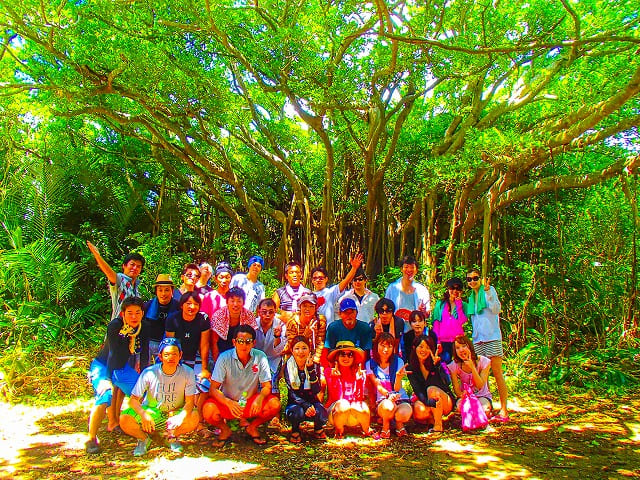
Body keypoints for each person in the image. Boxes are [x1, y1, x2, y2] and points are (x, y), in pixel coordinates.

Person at [85, 297, 149, 454]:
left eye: (137, 313)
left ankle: (143, 427)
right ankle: (91, 438)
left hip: (121, 368)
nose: (134, 317)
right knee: (105, 396)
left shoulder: (143, 326)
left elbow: (144, 353)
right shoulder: (115, 325)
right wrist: (107, 379)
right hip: (104, 366)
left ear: (142, 313)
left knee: (144, 393)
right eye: (130, 313)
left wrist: (145, 376)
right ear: (123, 314)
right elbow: (112, 353)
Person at [202, 325, 281, 446]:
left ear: (254, 343)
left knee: (274, 404)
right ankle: (225, 430)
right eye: (240, 341)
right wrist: (228, 402)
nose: (244, 345)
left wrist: (259, 398)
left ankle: (252, 427)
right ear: (234, 342)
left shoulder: (260, 357)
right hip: (228, 403)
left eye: (248, 341)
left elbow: (267, 386)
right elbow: (213, 389)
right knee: (208, 410)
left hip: (249, 402)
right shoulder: (224, 358)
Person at [119, 338, 199, 456]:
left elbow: (189, 402)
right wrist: (143, 415)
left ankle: (171, 436)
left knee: (194, 416)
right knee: (124, 418)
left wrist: (181, 417)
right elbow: (133, 400)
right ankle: (143, 439)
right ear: (160, 356)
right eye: (166, 354)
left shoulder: (188, 372)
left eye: (174, 354)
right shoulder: (149, 372)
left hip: (173, 413)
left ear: (180, 355)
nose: (171, 358)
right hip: (152, 412)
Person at [465, 269, 509, 421]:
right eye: (469, 279)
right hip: (478, 340)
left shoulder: (488, 291)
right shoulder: (471, 298)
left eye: (475, 278)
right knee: (483, 376)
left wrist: (489, 292)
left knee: (497, 373)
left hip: (492, 338)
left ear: (480, 278)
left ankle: (504, 410)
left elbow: (496, 309)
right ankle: (488, 407)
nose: (472, 281)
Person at [366, 333, 412, 438]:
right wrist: (388, 396)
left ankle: (398, 423)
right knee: (388, 406)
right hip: (383, 401)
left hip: (400, 399)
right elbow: (377, 385)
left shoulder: (398, 362)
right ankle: (386, 425)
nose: (386, 349)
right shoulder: (370, 364)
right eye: (382, 345)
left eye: (389, 346)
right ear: (376, 346)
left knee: (404, 413)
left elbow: (397, 388)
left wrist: (398, 377)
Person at [324, 341, 373, 439]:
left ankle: (366, 429)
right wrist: (336, 379)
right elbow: (337, 397)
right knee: (343, 404)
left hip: (352, 413)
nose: (346, 358)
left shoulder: (359, 373)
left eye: (350, 355)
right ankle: (339, 431)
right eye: (342, 354)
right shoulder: (330, 372)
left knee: (361, 406)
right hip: (336, 412)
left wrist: (359, 381)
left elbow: (359, 399)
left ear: (354, 358)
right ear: (337, 357)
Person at [283, 335, 328, 443]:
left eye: (304, 348)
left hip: (312, 401)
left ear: (309, 349)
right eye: (297, 348)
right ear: (292, 350)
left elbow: (316, 390)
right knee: (296, 413)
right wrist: (305, 405)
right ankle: (295, 430)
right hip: (295, 402)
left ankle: (318, 429)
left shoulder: (315, 365)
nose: (301, 352)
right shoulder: (288, 366)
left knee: (322, 413)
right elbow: (292, 392)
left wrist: (311, 370)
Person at [407, 332, 454, 433]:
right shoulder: (411, 368)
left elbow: (447, 382)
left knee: (431, 390)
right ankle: (432, 418)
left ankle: (438, 425)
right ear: (414, 348)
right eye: (421, 346)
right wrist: (428, 403)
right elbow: (418, 391)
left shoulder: (436, 363)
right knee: (418, 410)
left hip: (444, 400)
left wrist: (438, 367)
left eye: (427, 347)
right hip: (429, 401)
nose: (424, 350)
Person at [86, 241, 145, 319]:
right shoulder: (120, 280)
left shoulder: (139, 287)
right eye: (132, 264)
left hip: (134, 325)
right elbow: (109, 273)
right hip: (118, 324)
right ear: (124, 266)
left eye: (138, 266)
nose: (135, 268)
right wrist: (97, 256)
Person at [165, 292, 211, 386]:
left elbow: (204, 345)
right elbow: (170, 345)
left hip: (196, 355)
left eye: (196, 304)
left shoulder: (203, 319)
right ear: (182, 305)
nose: (192, 307)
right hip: (178, 356)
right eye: (189, 303)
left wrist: (204, 369)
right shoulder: (172, 319)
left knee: (202, 383)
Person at [254, 298, 286, 429]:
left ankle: (275, 415)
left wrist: (277, 337)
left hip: (273, 359)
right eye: (264, 312)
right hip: (255, 359)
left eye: (271, 312)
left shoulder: (280, 325)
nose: (267, 315)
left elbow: (280, 350)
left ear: (275, 312)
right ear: (258, 312)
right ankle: (252, 410)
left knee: (273, 384)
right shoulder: (253, 324)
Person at [310, 252, 363, 325]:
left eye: (321, 278)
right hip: (313, 329)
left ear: (326, 279)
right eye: (315, 278)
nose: (318, 280)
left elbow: (345, 281)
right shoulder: (309, 295)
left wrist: (354, 268)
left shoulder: (330, 292)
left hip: (328, 329)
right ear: (312, 281)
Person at [448, 334, 493, 417]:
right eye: (457, 348)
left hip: (482, 396)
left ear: (470, 347)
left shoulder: (484, 361)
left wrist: (472, 367)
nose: (461, 350)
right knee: (461, 407)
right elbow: (457, 390)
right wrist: (463, 395)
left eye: (464, 346)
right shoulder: (453, 365)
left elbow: (480, 385)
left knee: (484, 409)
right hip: (466, 397)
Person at [210, 287, 258, 362]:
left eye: (239, 301)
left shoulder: (249, 316)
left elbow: (251, 341)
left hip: (242, 351)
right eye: (232, 301)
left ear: (243, 303)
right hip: (221, 352)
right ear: (227, 302)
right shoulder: (218, 316)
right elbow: (214, 342)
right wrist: (217, 362)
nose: (235, 304)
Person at [384, 255, 430, 328]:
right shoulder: (392, 288)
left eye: (412, 267)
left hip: (415, 330)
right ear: (401, 269)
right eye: (406, 267)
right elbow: (385, 309)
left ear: (416, 270)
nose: (409, 270)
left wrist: (423, 311)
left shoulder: (422, 290)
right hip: (395, 329)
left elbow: (427, 315)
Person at [143, 274, 180, 361]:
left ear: (172, 291)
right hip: (149, 343)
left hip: (170, 344)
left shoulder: (178, 307)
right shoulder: (147, 306)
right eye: (160, 290)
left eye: (167, 290)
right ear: (156, 291)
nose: (163, 293)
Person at [431, 277, 468, 364]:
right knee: (444, 366)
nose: (455, 291)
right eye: (452, 288)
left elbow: (462, 321)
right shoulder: (440, 304)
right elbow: (436, 324)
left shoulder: (464, 305)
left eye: (458, 288)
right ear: (448, 289)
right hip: (443, 341)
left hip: (458, 341)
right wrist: (437, 341)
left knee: (459, 365)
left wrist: (459, 305)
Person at [283, 293, 326, 365]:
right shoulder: (292, 323)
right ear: (300, 306)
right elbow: (292, 347)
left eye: (311, 306)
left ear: (316, 308)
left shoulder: (320, 321)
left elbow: (320, 343)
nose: (307, 309)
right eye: (304, 306)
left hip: (313, 357)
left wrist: (315, 361)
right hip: (295, 357)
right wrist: (305, 335)